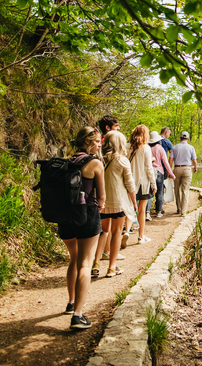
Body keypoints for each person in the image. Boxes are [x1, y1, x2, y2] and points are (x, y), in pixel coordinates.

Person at [59, 126, 105, 330]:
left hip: (65, 216)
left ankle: (70, 303)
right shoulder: (95, 163)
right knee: (86, 263)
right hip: (87, 215)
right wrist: (100, 207)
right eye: (96, 141)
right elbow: (101, 197)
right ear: (87, 142)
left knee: (74, 259)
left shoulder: (64, 162)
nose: (98, 145)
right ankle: (78, 315)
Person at [93, 131, 137, 279]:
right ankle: (112, 267)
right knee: (117, 232)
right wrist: (134, 202)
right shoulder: (122, 160)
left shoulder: (99, 159)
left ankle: (95, 264)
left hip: (102, 202)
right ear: (120, 144)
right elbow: (129, 184)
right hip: (118, 203)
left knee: (103, 232)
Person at [128, 124, 156, 243]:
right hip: (143, 184)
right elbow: (149, 168)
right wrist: (154, 184)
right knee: (142, 209)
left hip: (129, 182)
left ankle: (126, 232)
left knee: (129, 208)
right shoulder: (146, 148)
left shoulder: (127, 147)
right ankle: (141, 236)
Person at [148, 130, 174, 218]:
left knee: (149, 192)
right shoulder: (160, 148)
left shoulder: (146, 148)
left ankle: (147, 213)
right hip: (159, 171)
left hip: (149, 171)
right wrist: (171, 173)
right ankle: (158, 211)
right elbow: (166, 162)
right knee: (160, 192)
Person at [171, 131, 197, 216]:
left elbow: (170, 160)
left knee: (177, 189)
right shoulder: (191, 147)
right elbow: (194, 160)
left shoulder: (175, 147)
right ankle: (183, 211)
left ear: (180, 138)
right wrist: (195, 168)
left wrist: (169, 171)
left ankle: (178, 209)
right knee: (185, 190)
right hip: (187, 168)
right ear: (188, 138)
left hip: (177, 168)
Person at [160, 127, 174, 198]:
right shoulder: (167, 141)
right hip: (163, 165)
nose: (169, 135)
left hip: (153, 165)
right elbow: (172, 154)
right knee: (163, 182)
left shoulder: (153, 140)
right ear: (165, 132)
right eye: (169, 133)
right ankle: (161, 199)